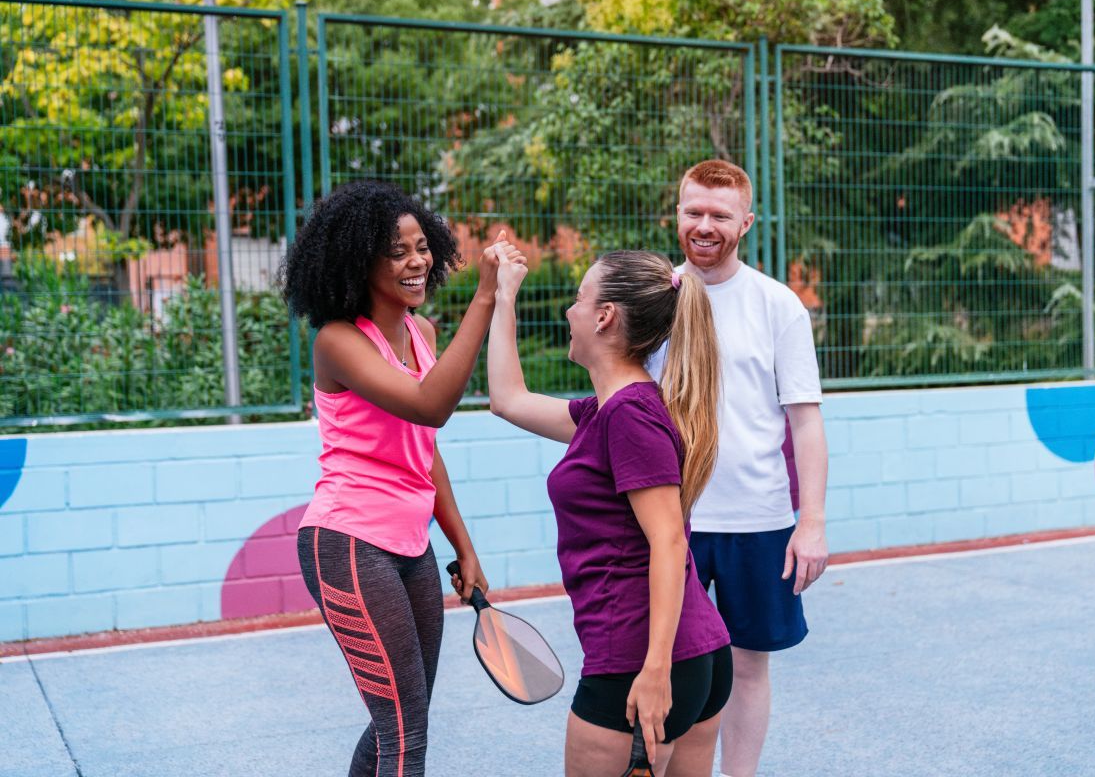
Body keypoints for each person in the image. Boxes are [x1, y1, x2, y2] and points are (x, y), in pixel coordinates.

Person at [280, 180, 524, 777]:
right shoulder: (338, 342)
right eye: (397, 251)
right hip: (348, 544)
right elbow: (429, 406)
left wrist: (464, 548)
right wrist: (486, 298)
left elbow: (425, 449)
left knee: (400, 722)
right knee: (403, 732)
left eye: (422, 247)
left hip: (412, 547)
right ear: (358, 260)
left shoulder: (424, 333)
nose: (417, 262)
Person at [487, 247, 733, 776]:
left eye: (579, 299)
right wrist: (503, 294)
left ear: (604, 316)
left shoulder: (629, 416)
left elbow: (668, 540)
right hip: (694, 654)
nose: (569, 312)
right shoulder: (608, 411)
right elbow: (507, 398)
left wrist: (655, 668)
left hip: (639, 662)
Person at [647, 159, 829, 777]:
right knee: (673, 661)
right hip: (674, 519)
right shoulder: (654, 302)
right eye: (693, 211)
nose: (704, 225)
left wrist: (813, 523)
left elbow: (806, 422)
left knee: (750, 664)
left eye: (719, 215)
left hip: (762, 519)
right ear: (677, 214)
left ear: (745, 223)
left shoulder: (779, 306)